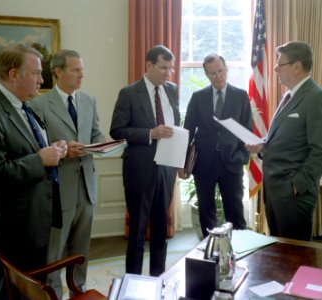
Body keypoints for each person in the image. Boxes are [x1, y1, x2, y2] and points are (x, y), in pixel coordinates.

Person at [0, 44, 67, 300]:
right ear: (14, 74)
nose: (42, 80)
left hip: (36, 218)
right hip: (12, 226)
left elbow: (30, 148)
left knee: (33, 288)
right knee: (12, 292)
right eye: (35, 73)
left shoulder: (25, 106)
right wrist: (40, 159)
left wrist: (52, 149)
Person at [30, 49, 105, 297]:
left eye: (82, 69)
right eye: (76, 69)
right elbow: (36, 147)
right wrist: (62, 149)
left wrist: (104, 145)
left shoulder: (89, 101)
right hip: (57, 188)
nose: (81, 75)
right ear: (58, 72)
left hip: (87, 187)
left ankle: (79, 292)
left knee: (81, 249)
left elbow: (96, 135)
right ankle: (52, 294)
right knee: (55, 251)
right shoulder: (38, 105)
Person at [246, 41, 322, 241]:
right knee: (280, 254)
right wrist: (263, 145)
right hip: (274, 190)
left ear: (297, 66)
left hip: (294, 195)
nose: (276, 69)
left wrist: (296, 185)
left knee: (295, 257)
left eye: (280, 64)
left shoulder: (317, 98)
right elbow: (283, 137)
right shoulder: (289, 95)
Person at [110, 45, 180, 276]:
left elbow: (175, 123)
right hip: (139, 170)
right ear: (148, 65)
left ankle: (158, 279)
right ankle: (133, 282)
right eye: (162, 68)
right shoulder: (129, 93)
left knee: (161, 228)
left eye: (170, 68)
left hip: (167, 168)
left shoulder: (172, 89)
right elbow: (117, 130)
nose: (167, 73)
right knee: (138, 231)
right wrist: (151, 133)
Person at [182, 53, 252, 238]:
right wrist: (182, 164)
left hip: (232, 162)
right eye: (213, 73)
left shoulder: (241, 96)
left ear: (226, 68)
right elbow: (188, 130)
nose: (218, 76)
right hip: (204, 164)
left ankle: (239, 254)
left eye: (220, 70)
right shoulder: (198, 97)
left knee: (235, 214)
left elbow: (247, 130)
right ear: (207, 75)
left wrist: (241, 157)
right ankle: (210, 255)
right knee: (206, 213)